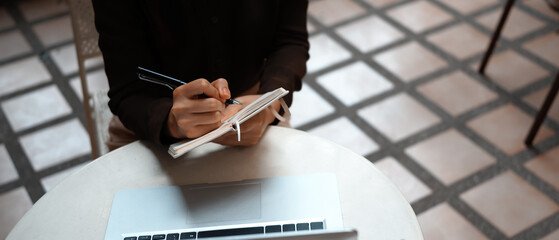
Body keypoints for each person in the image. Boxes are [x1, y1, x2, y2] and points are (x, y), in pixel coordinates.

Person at [92, 0, 309, 149]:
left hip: (254, 108)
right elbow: (127, 91)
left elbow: (290, 42)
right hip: (148, 122)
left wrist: (266, 106)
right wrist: (170, 121)